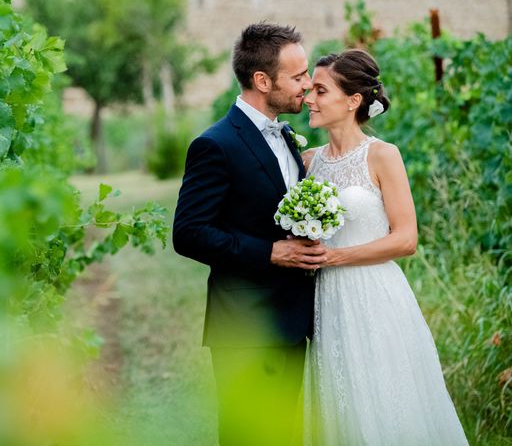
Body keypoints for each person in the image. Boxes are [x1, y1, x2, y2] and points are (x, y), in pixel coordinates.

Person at [300, 49, 469, 445]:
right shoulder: (308, 161)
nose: (309, 99)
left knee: (387, 400)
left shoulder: (382, 155)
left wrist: (337, 256)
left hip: (375, 295)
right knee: (339, 403)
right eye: (309, 90)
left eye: (320, 91)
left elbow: (406, 238)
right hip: (326, 300)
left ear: (353, 100)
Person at [173, 22, 325, 446]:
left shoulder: (288, 137)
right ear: (262, 80)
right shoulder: (215, 144)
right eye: (297, 76)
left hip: (291, 322)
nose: (308, 84)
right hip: (245, 327)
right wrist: (270, 253)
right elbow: (188, 232)